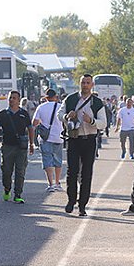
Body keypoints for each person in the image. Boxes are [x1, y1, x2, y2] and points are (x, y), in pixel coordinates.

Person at [58, 74, 107, 217]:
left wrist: (91, 120)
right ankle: (71, 200)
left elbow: (103, 123)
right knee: (72, 172)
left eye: (87, 83)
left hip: (89, 140)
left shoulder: (97, 102)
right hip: (74, 139)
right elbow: (59, 114)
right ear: (79, 84)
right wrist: (67, 116)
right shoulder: (71, 99)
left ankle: (82, 205)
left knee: (86, 173)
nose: (85, 85)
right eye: (83, 83)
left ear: (92, 85)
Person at [0, 90, 34, 203]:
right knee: (6, 170)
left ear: (19, 100)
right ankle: (7, 189)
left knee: (20, 171)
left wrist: (31, 143)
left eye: (14, 98)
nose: (11, 100)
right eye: (10, 98)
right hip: (7, 147)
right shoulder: (3, 114)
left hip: (21, 147)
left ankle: (18, 194)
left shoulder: (24, 114)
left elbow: (30, 128)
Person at [32, 89, 64, 192]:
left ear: (46, 98)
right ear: (56, 97)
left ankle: (51, 184)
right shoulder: (60, 107)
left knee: (47, 160)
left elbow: (34, 122)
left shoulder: (41, 107)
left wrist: (42, 122)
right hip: (59, 137)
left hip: (45, 138)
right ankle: (58, 182)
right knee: (58, 160)